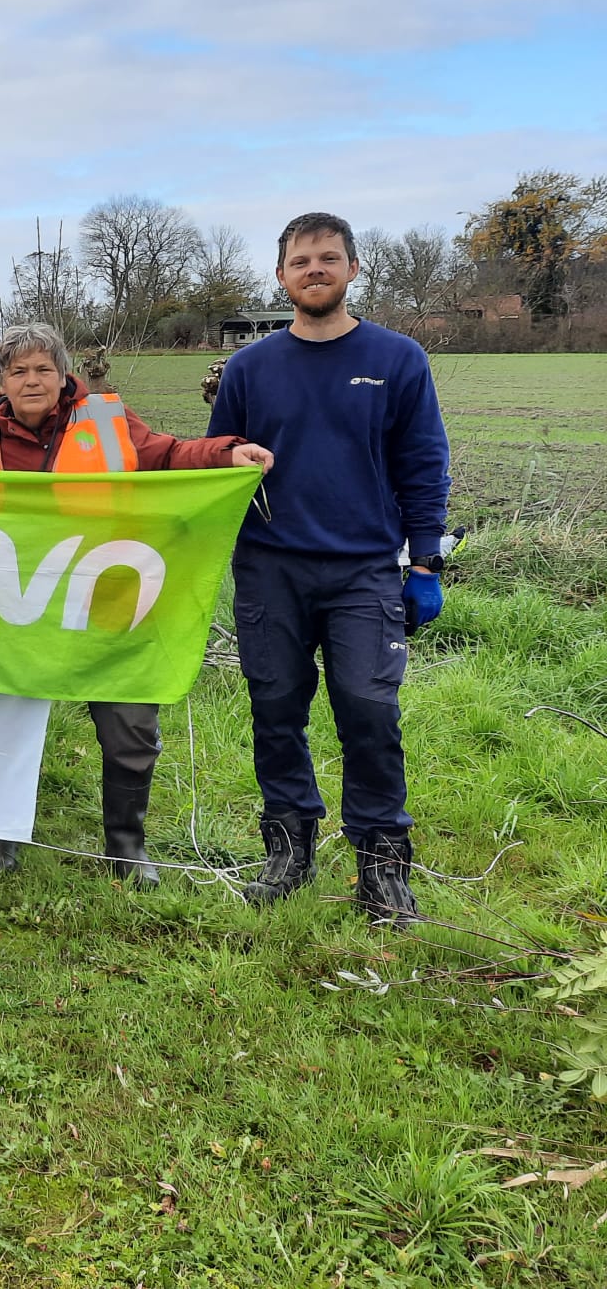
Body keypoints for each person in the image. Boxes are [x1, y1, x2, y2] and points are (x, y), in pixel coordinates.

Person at [0, 322, 274, 884]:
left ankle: (126, 845)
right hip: (17, 610)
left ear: (63, 373)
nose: (32, 381)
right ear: (2, 378)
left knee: (129, 723)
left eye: (43, 370)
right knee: (1, 721)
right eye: (19, 370)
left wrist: (226, 454)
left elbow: (169, 455)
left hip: (106, 600)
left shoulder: (107, 421)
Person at [207, 212, 450, 928]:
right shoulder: (251, 368)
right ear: (280, 276)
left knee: (370, 714)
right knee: (275, 710)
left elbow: (423, 461)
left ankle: (383, 865)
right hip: (270, 569)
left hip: (365, 571)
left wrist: (425, 561)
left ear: (352, 269)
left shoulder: (398, 358)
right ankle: (289, 848)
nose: (314, 269)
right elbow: (217, 458)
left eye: (328, 258)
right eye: (301, 260)